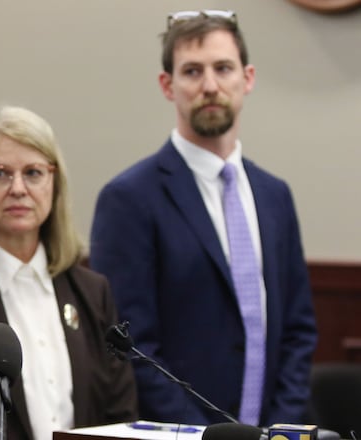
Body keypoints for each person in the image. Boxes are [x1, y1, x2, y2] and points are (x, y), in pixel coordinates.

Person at [89, 10, 317, 427]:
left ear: (247, 78)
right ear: (167, 85)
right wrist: (207, 437)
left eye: (223, 68)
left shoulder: (275, 196)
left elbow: (299, 332)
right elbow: (131, 347)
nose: (210, 86)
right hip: (178, 434)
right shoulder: (129, 199)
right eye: (192, 71)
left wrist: (279, 430)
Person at [0, 105, 138, 440]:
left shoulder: (92, 292)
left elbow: (119, 413)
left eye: (33, 173)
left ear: (55, 183)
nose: (18, 188)